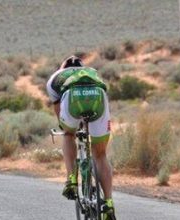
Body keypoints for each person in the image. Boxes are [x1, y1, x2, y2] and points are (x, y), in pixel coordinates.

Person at [46, 55, 116, 220]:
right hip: (98, 96)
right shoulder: (92, 72)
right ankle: (108, 204)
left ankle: (71, 179)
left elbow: (59, 113)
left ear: (63, 68)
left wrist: (69, 129)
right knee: (100, 154)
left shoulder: (55, 78)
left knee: (68, 135)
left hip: (72, 97)